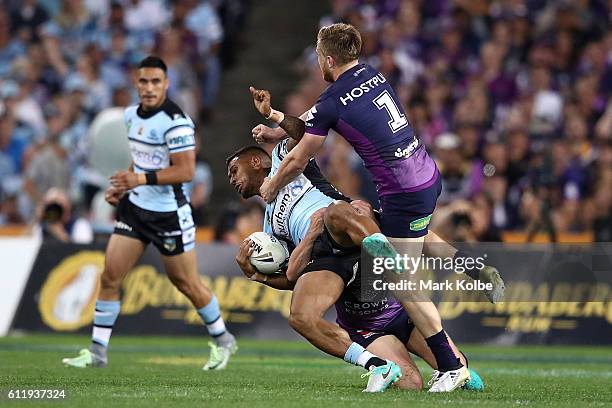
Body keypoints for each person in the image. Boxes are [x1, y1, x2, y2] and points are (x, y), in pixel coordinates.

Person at [249, 23, 504, 392]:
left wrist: (271, 185)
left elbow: (300, 154)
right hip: (425, 175)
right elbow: (312, 121)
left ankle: (451, 367)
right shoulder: (372, 74)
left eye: (319, 57)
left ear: (328, 58)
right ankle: (471, 266)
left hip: (402, 188)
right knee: (396, 232)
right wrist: (275, 121)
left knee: (402, 283)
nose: (318, 63)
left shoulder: (331, 99)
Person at [227, 141, 484, 392]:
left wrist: (275, 121)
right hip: (339, 275)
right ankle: (385, 258)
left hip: (393, 300)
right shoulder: (270, 224)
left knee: (464, 373)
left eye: (234, 171)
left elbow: (307, 131)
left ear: (256, 161)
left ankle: (386, 253)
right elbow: (293, 276)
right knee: (410, 383)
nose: (231, 180)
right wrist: (257, 275)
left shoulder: (290, 161)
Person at [62, 56, 236, 370]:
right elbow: (141, 160)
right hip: (135, 209)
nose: (149, 87)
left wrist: (138, 179)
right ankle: (98, 352)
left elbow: (185, 171)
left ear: (166, 85)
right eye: (144, 81)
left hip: (168, 214)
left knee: (186, 283)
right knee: (111, 275)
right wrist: (124, 186)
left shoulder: (176, 121)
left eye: (156, 81)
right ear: (136, 83)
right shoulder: (130, 116)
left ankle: (223, 339)